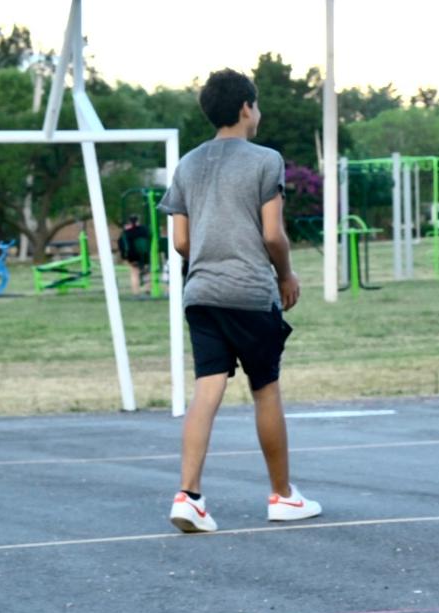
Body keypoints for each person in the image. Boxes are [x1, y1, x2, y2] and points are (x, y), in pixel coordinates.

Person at [161, 68, 320, 534]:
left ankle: (189, 496)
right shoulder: (266, 160)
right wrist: (286, 274)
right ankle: (283, 496)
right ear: (247, 107)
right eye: (258, 104)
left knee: (207, 389)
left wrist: (211, 253)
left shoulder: (187, 165)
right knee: (264, 387)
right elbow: (273, 234)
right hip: (249, 291)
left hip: (201, 294)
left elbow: (181, 241)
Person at [119, 214, 149, 296]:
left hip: (132, 255)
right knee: (146, 271)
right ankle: (147, 288)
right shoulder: (144, 230)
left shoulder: (127, 232)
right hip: (144, 254)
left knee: (134, 273)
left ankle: (136, 291)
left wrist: (124, 256)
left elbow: (122, 244)